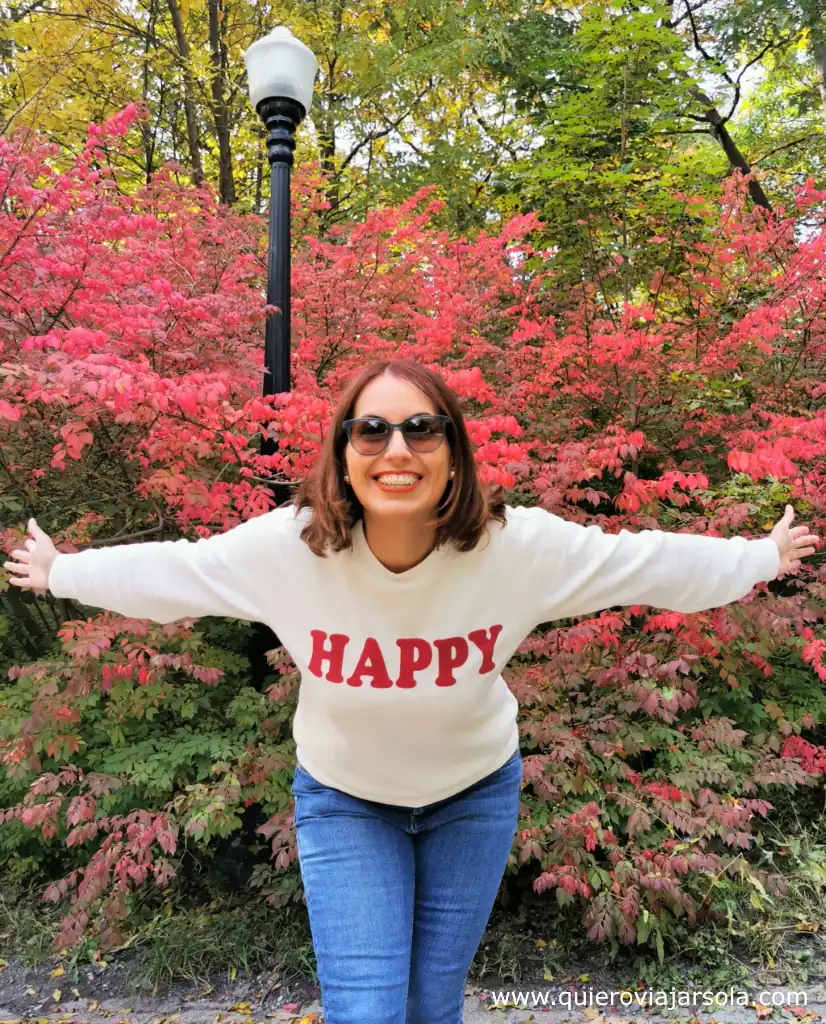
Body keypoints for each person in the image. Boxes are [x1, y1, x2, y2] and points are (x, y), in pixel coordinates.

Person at [4, 358, 819, 1024]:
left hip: (475, 794)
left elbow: (642, 561)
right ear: (344, 452)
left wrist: (758, 557)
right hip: (344, 800)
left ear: (455, 450)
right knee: (366, 1013)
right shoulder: (285, 551)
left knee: (433, 1007)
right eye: (372, 428)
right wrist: (63, 572)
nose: (397, 448)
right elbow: (175, 571)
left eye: (422, 428)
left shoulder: (516, 549)